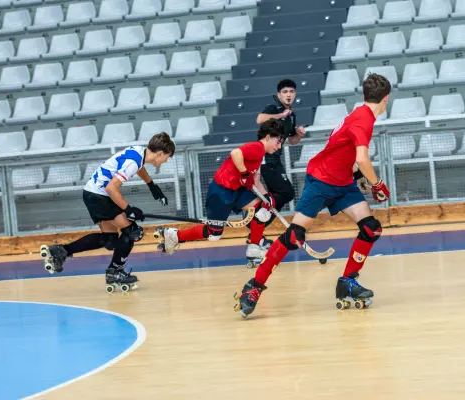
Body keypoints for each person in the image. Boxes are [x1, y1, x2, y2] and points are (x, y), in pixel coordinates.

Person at [234, 73, 392, 317]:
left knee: (371, 228)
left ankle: (347, 282)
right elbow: (362, 158)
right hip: (321, 180)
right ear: (386, 99)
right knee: (294, 236)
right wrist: (377, 184)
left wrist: (359, 178)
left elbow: (344, 152)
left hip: (342, 182)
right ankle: (253, 287)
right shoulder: (364, 120)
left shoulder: (359, 114)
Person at [40, 132, 175, 292]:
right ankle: (115, 272)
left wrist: (152, 185)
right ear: (160, 153)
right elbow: (111, 187)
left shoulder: (140, 152)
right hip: (100, 196)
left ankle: (61, 251)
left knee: (109, 240)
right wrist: (128, 209)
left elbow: (139, 168)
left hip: (92, 193)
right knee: (132, 232)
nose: (166, 160)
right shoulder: (133, 162)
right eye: (167, 157)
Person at [156, 119, 287, 268]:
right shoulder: (257, 148)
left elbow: (256, 180)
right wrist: (244, 174)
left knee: (262, 210)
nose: (279, 146)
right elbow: (235, 153)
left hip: (236, 191)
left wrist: (267, 197)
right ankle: (174, 236)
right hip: (221, 191)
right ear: (268, 137)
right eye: (278, 142)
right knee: (213, 234)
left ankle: (254, 248)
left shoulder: (260, 154)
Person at [252, 79, 306, 246]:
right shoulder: (273, 108)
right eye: (285, 92)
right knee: (286, 193)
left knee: (282, 195)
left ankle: (258, 224)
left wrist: (299, 135)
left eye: (291, 91)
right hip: (266, 160)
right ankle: (258, 223)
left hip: (276, 160)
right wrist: (280, 115)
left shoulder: (292, 116)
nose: (288, 94)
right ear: (279, 95)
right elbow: (259, 119)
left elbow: (292, 141)